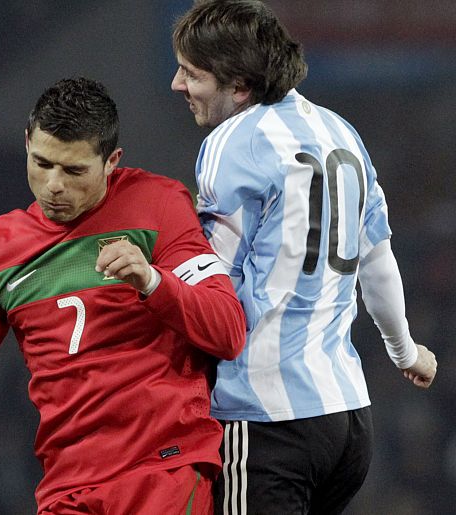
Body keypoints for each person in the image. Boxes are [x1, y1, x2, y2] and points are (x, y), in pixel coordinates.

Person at [0, 77, 247, 514]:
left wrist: (152, 282)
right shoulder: (0, 247)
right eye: (42, 163)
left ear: (111, 162)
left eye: (73, 170)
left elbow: (227, 330)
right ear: (27, 142)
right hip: (67, 489)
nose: (53, 186)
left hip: (161, 468)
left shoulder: (158, 204)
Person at [169, 1, 439, 514]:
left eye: (192, 73)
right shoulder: (342, 132)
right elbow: (377, 259)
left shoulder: (231, 142)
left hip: (268, 422)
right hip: (348, 421)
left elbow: (213, 288)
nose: (178, 85)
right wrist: (405, 351)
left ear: (240, 85)